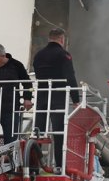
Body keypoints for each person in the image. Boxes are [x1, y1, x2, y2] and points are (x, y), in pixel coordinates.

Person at [32, 28, 79, 171]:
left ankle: (33, 166)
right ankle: (59, 165)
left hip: (42, 96)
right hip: (58, 97)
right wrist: (76, 98)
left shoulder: (38, 55)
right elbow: (70, 76)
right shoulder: (64, 55)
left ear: (49, 38)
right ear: (61, 39)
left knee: (38, 132)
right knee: (59, 132)